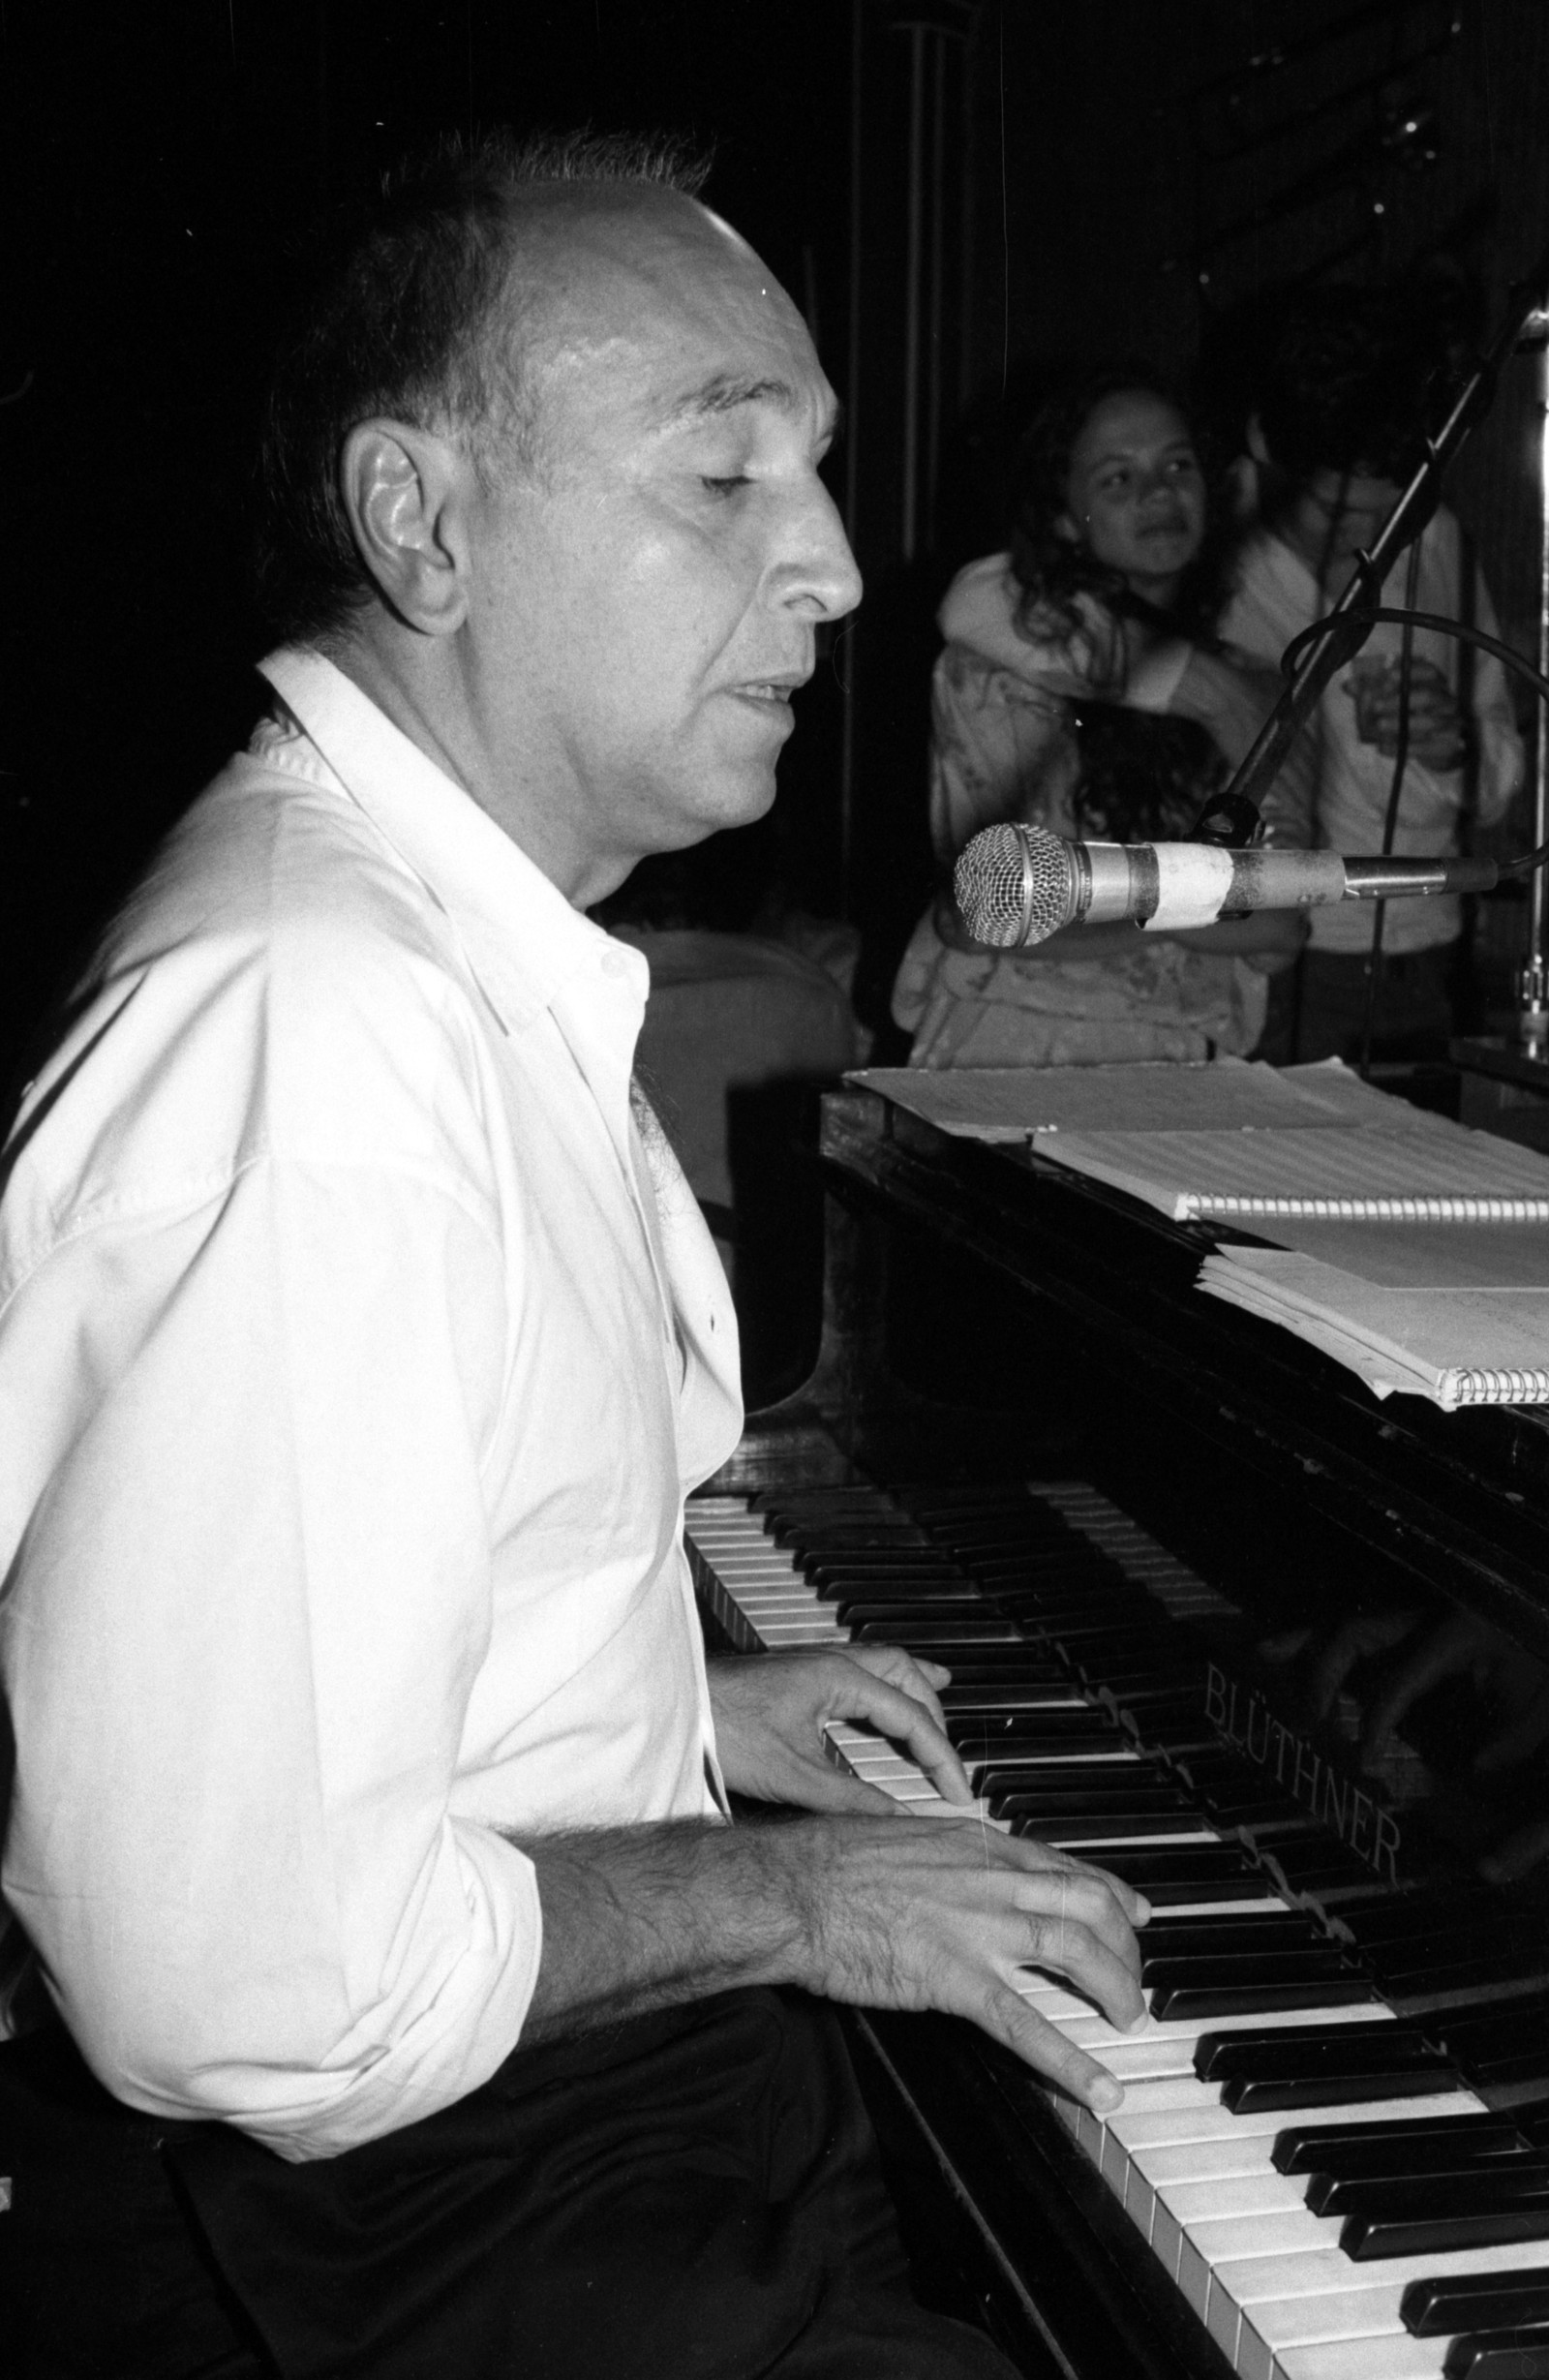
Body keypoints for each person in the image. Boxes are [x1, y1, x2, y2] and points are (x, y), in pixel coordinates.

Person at [0, 134, 1150, 2379]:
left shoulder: (444, 945)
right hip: (400, 2229)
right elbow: (249, 1984)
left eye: (814, 471)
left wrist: (648, 1718)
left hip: (541, 2138)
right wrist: (794, 1897)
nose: (830, 567)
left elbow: (357, 1608)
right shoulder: (321, 1049)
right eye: (722, 474)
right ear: (420, 522)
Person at [892, 369, 1305, 1069]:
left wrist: (1103, 896)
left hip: (1179, 1067)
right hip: (1008, 1051)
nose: (1159, 492)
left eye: (1178, 465)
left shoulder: (1246, 684)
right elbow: (989, 907)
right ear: (1063, 514)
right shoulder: (996, 669)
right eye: (1117, 478)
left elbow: (1281, 922)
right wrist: (1189, 907)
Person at [1220, 286, 1525, 1064]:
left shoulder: (1442, 537)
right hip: (1276, 963)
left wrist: (1452, 746)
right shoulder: (1205, 550)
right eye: (1335, 512)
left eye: (1393, 516)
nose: (1369, 543)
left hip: (1425, 952)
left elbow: (1500, 761)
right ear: (1264, 443)